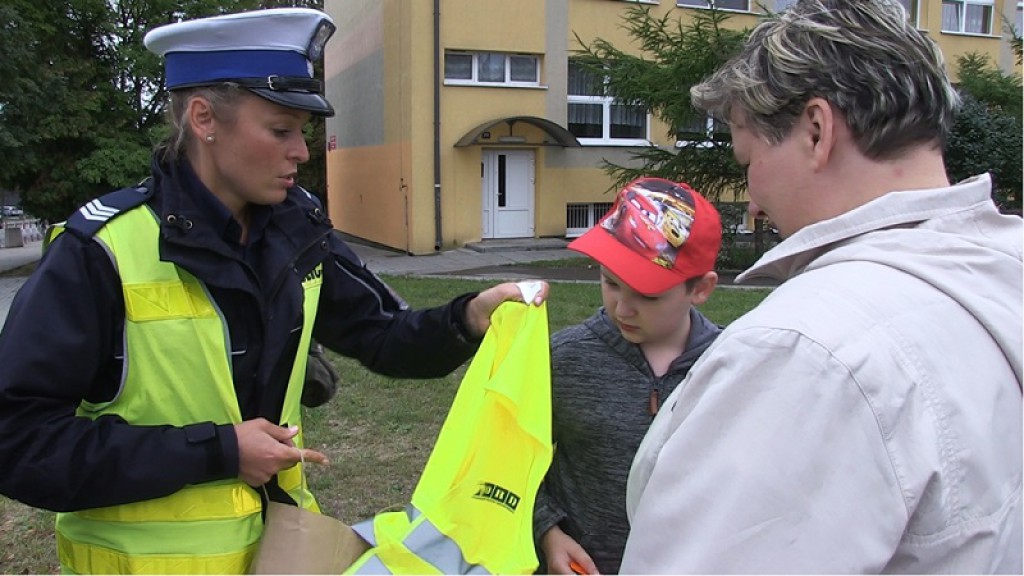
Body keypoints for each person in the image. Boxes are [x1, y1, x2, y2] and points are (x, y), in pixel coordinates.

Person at [0, 8, 546, 574]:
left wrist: (467, 318)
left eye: (303, 133)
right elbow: (18, 443)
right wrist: (220, 450)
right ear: (204, 118)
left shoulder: (297, 230)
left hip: (280, 555)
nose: (302, 153)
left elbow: (382, 336)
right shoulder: (100, 251)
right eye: (280, 130)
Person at [620, 0, 1023, 573]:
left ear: (816, 130)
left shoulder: (807, 351)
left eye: (748, 160)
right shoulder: (1000, 267)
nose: (753, 203)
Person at [534, 177, 723, 575]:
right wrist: (547, 532)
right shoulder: (564, 358)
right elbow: (507, 458)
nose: (623, 308)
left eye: (648, 295)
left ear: (701, 289)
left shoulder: (728, 366)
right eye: (610, 283)